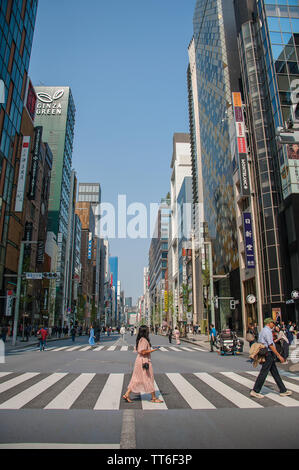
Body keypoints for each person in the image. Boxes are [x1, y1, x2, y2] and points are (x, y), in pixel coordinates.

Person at [250, 318, 292, 399]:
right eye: (272, 323)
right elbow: (270, 345)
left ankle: (283, 390)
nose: (274, 324)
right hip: (268, 353)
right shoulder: (267, 331)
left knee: (275, 372)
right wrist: (279, 356)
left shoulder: (262, 331)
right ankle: (255, 390)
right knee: (264, 372)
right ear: (269, 323)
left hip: (266, 353)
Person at [122, 325, 162, 403]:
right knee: (149, 378)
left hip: (139, 360)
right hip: (144, 361)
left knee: (137, 378)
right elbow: (143, 351)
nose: (149, 331)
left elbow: (138, 350)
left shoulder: (140, 339)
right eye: (147, 330)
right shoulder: (143, 340)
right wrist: (154, 350)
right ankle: (153, 398)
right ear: (145, 332)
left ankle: (126, 394)